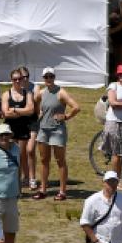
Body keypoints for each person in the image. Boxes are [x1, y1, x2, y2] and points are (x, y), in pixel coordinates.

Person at [33, 68, 81, 200]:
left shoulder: (61, 92)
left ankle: (62, 191)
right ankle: (43, 189)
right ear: (43, 78)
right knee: (44, 160)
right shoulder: (41, 92)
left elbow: (76, 107)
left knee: (60, 160)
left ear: (54, 77)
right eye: (46, 77)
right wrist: (38, 113)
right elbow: (35, 102)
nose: (48, 79)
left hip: (57, 130)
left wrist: (66, 116)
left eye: (51, 76)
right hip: (43, 130)